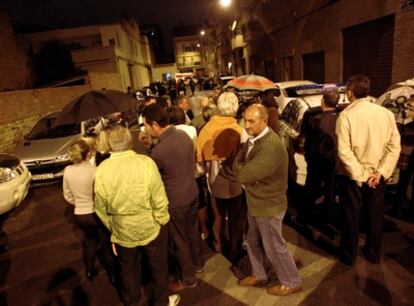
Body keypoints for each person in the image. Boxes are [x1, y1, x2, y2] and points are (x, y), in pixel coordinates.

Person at [94, 126, 179, 306]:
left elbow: (100, 207)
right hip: (150, 224)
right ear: (130, 142)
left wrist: (112, 227)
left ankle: (131, 301)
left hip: (123, 229)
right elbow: (158, 197)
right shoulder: (145, 163)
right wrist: (162, 219)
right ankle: (161, 302)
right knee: (159, 268)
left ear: (109, 145)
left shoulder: (102, 170)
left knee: (128, 269)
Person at [233, 104, 302, 296]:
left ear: (264, 121)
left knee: (274, 247)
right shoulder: (253, 139)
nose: (246, 125)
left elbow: (241, 175)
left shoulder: (270, 145)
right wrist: (241, 167)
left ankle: (292, 281)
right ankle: (259, 273)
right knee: (252, 239)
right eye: (245, 120)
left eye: (251, 121)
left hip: (269, 206)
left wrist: (241, 168)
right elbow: (238, 163)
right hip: (255, 202)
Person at [336, 75, 401, 265]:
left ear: (349, 93)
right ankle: (373, 253)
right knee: (375, 216)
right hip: (378, 176)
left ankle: (348, 256)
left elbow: (344, 151)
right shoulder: (386, 114)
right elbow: (394, 147)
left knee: (351, 216)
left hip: (354, 177)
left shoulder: (346, 116)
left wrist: (362, 175)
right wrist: (380, 173)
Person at [141, 104, 203, 292]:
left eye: (145, 125)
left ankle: (188, 278)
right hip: (192, 192)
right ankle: (198, 263)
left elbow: (150, 175)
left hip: (175, 201)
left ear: (154, 125)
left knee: (179, 241)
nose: (144, 129)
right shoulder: (183, 136)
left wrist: (148, 150)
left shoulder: (159, 151)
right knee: (192, 232)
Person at [196, 92, 247, 266]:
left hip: (214, 184)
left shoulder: (206, 130)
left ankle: (218, 244)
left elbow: (199, 166)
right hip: (236, 184)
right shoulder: (239, 131)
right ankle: (235, 248)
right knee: (236, 219)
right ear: (235, 108)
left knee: (217, 217)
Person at [62, 140, 115, 283]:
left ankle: (90, 271)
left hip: (79, 214)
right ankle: (112, 274)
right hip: (95, 212)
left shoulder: (67, 171)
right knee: (105, 243)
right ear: (88, 154)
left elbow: (67, 195)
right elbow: (102, 193)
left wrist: (78, 203)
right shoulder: (95, 171)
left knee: (90, 242)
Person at [299, 89, 340, 225]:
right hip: (334, 161)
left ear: (323, 101)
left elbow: (306, 140)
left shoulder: (314, 119)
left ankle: (305, 217)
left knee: (310, 189)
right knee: (330, 190)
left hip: (316, 160)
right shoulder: (341, 119)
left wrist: (307, 156)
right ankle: (326, 218)